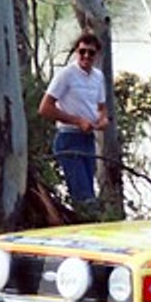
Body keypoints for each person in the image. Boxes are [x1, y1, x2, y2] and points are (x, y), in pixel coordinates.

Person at [39, 33, 110, 206]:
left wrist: (103, 120)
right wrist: (77, 121)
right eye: (82, 51)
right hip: (68, 138)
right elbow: (45, 108)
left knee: (89, 192)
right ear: (76, 52)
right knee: (83, 196)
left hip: (88, 139)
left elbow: (102, 107)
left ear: (97, 55)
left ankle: (89, 223)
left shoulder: (98, 77)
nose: (86, 56)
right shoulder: (66, 75)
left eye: (91, 53)